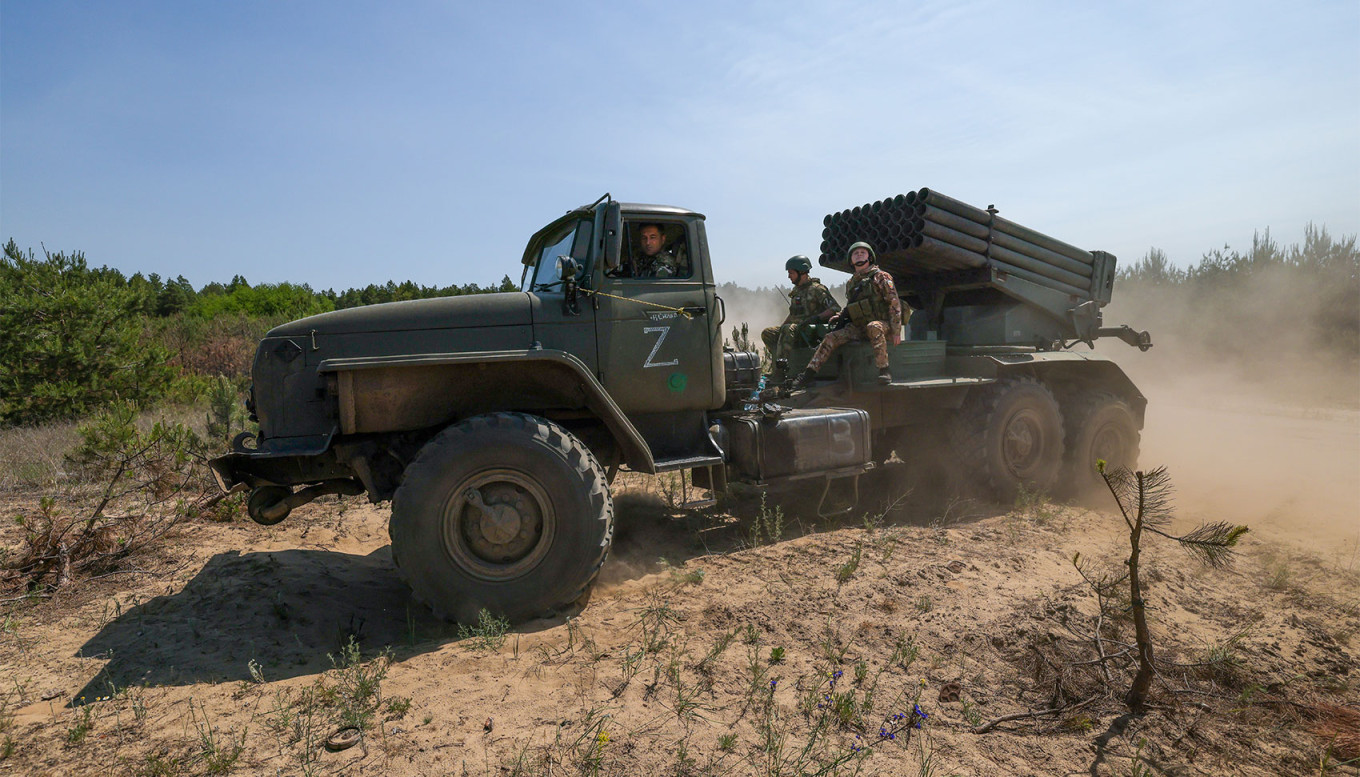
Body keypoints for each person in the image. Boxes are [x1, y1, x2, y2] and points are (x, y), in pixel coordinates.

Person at [794, 241, 902, 387]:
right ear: (851, 260)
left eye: (862, 252)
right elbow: (852, 305)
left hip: (882, 325)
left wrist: (896, 331)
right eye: (855, 253)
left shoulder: (881, 277)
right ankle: (809, 374)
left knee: (873, 326)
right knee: (831, 337)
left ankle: (884, 369)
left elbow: (894, 304)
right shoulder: (852, 283)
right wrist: (840, 316)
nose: (859, 255)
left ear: (870, 257)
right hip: (860, 327)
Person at [761, 255, 840, 380]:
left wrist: (816, 318)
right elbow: (792, 314)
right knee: (768, 333)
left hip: (809, 330)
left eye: (791, 273)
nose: (789, 276)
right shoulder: (797, 292)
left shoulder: (817, 289)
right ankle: (780, 364)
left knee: (788, 329)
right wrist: (781, 328)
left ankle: (781, 371)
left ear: (802, 272)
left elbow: (835, 308)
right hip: (795, 329)